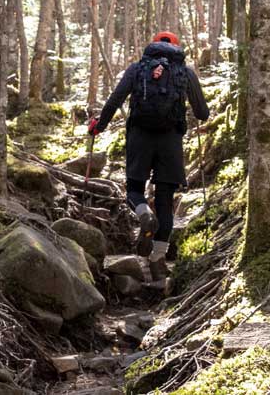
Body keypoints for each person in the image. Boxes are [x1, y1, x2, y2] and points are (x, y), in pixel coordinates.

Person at [88, 31, 209, 262]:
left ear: (152, 45)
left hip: (139, 138)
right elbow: (202, 113)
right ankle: (157, 261)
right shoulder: (185, 72)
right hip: (170, 142)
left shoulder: (138, 69)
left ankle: (143, 212)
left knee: (134, 190)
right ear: (177, 47)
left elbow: (115, 99)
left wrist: (99, 126)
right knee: (165, 200)